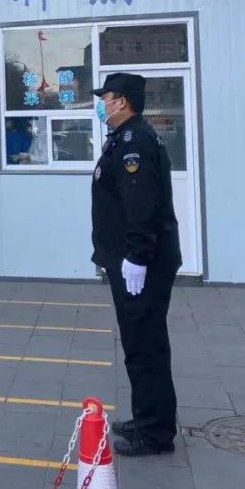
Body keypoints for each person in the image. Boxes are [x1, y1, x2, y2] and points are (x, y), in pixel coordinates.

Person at [91, 72, 182, 458]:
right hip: (132, 259)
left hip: (141, 263)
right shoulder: (126, 137)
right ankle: (147, 416)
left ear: (122, 101)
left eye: (106, 97)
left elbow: (141, 205)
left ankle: (155, 433)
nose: (102, 104)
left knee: (145, 345)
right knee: (138, 342)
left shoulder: (135, 142)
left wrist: (137, 257)